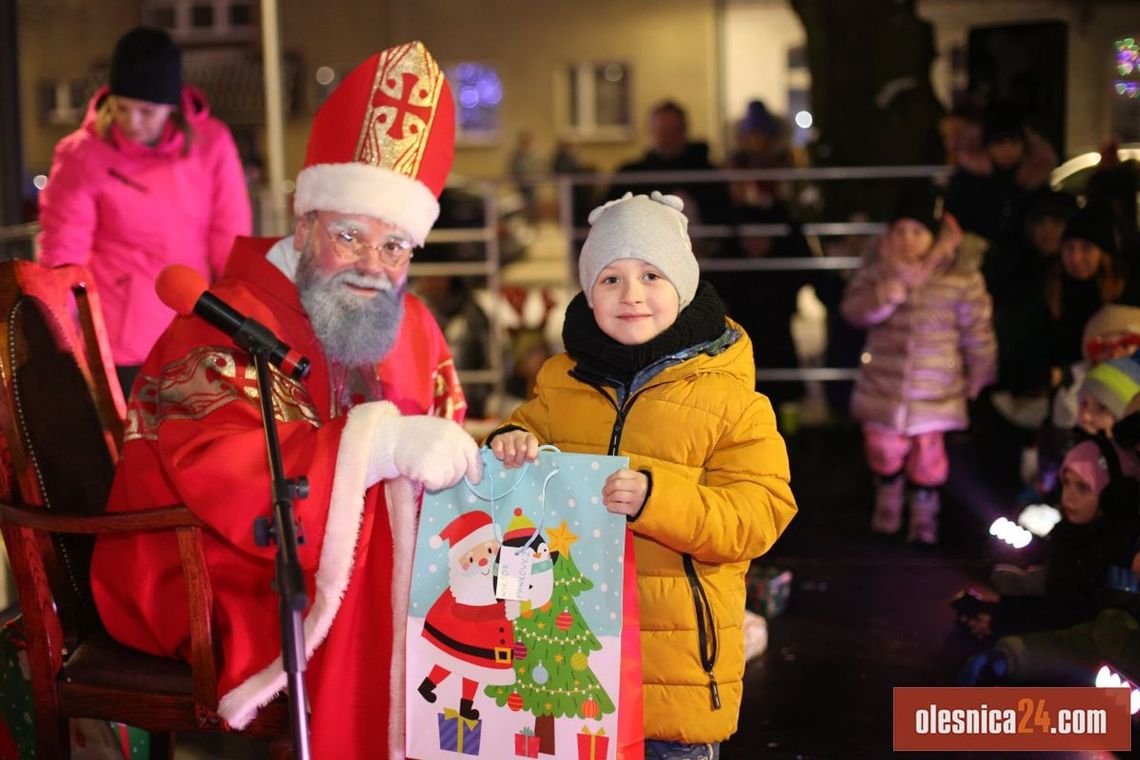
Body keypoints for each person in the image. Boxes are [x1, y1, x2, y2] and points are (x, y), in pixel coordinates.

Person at [89, 42, 483, 757]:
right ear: (303, 227)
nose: (373, 266)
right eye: (349, 235)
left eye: (396, 246)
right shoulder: (218, 322)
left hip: (327, 561)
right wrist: (382, 449)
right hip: (205, 567)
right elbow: (222, 466)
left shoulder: (413, 325)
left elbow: (444, 436)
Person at [487, 191, 798, 758]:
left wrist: (660, 498)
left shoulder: (733, 401)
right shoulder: (560, 385)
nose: (631, 295)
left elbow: (758, 516)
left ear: (682, 283)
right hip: (569, 668)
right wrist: (509, 440)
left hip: (674, 685)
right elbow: (522, 439)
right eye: (610, 279)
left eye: (651, 275)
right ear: (587, 290)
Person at [37, 26, 251, 395]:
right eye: (122, 108)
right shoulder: (82, 155)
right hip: (120, 340)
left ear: (172, 105)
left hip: (194, 325)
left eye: (147, 111)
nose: (132, 123)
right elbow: (64, 254)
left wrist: (241, 312)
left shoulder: (211, 143)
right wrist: (61, 336)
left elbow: (229, 237)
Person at [841, 184, 997, 544]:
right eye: (900, 231)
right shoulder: (880, 271)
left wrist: (981, 370)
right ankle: (888, 504)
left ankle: (924, 521)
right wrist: (889, 291)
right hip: (884, 386)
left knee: (929, 459)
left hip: (935, 388)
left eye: (917, 231)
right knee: (882, 448)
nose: (908, 240)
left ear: (935, 235)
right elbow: (853, 310)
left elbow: (978, 330)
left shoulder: (960, 278)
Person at [608, 101, 732, 238]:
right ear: (650, 131)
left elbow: (723, 225)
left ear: (685, 132)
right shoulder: (630, 175)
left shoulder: (708, 176)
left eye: (674, 131)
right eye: (661, 131)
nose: (667, 138)